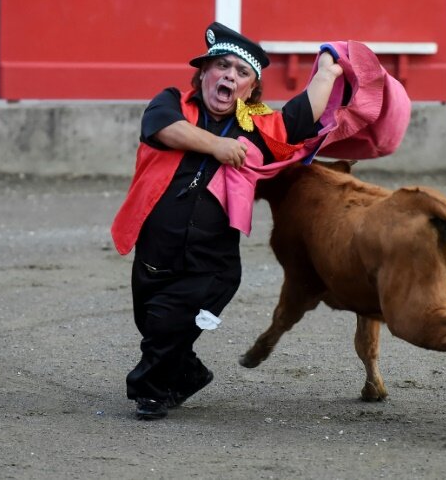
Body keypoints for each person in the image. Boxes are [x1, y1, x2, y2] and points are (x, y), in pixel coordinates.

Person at [111, 22, 343, 420]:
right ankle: (189, 374)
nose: (229, 76)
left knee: (167, 326)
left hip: (210, 264)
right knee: (154, 326)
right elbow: (163, 129)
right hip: (155, 251)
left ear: (251, 89)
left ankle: (146, 391)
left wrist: (329, 67)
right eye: (222, 66)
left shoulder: (257, 126)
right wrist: (219, 146)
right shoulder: (171, 103)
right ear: (204, 72)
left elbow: (303, 115)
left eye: (241, 73)